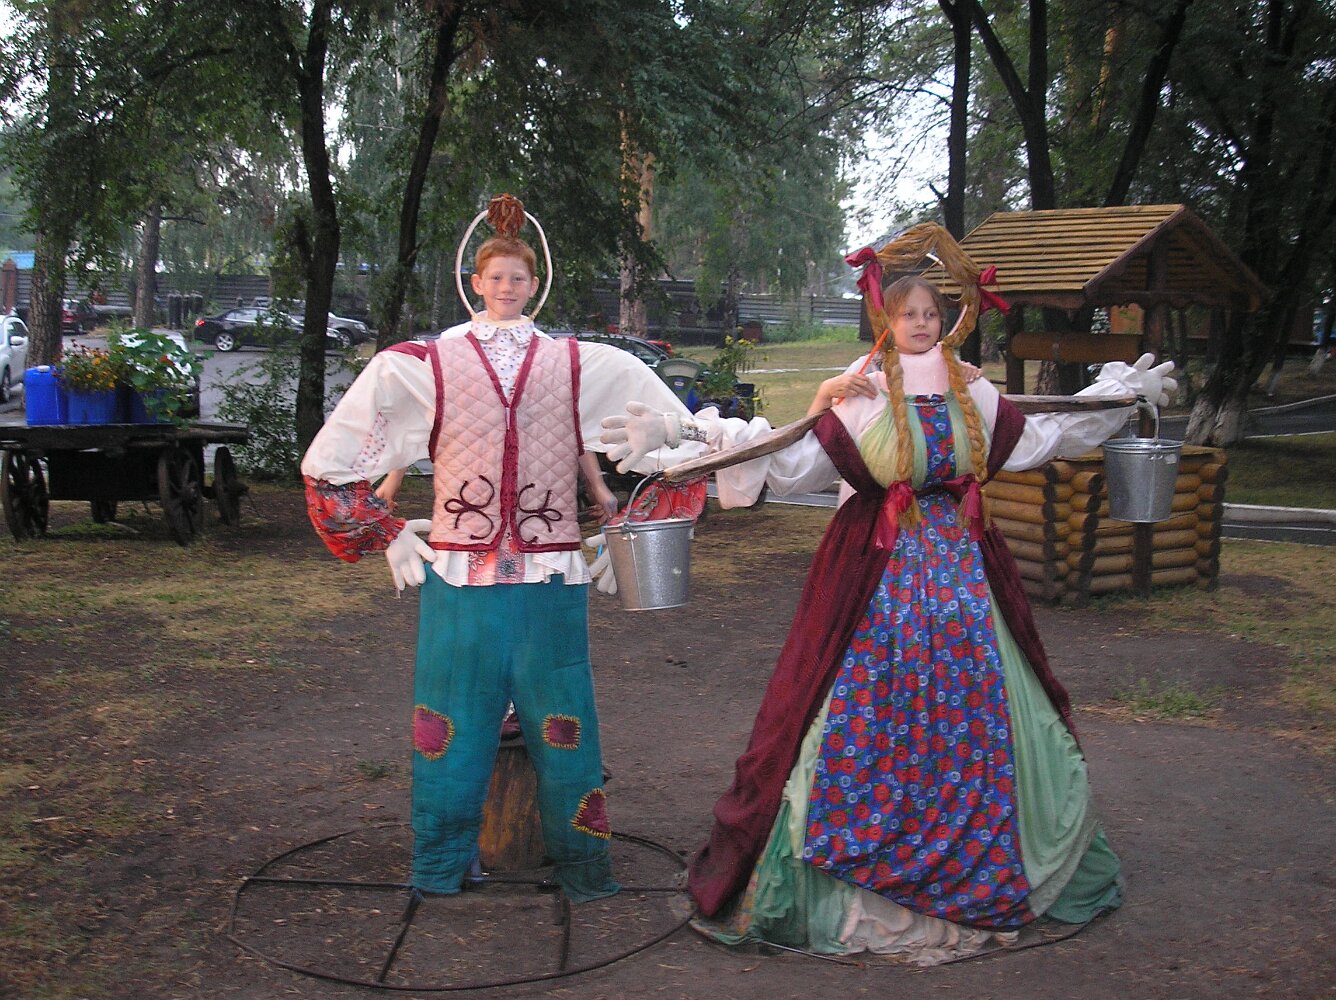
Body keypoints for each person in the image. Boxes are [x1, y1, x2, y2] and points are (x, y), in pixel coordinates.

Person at [599, 230, 1176, 963]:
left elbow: (1042, 434)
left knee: (978, 696)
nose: (921, 324)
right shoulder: (863, 389)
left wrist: (1119, 399)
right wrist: (684, 435)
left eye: (931, 313)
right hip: (874, 573)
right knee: (855, 701)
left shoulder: (972, 389)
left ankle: (985, 838)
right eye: (908, 314)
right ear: (887, 320)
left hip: (965, 574)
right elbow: (790, 456)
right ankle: (851, 862)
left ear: (948, 319)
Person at [301, 194, 702, 903]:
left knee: (566, 728)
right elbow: (332, 458)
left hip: (552, 577)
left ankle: (584, 868)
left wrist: (631, 526)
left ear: (534, 284)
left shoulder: (580, 363)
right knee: (448, 729)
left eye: (519, 276)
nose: (508, 287)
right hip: (459, 577)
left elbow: (688, 440)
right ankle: (439, 865)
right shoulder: (424, 363)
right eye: (497, 277)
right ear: (476, 282)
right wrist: (383, 529)